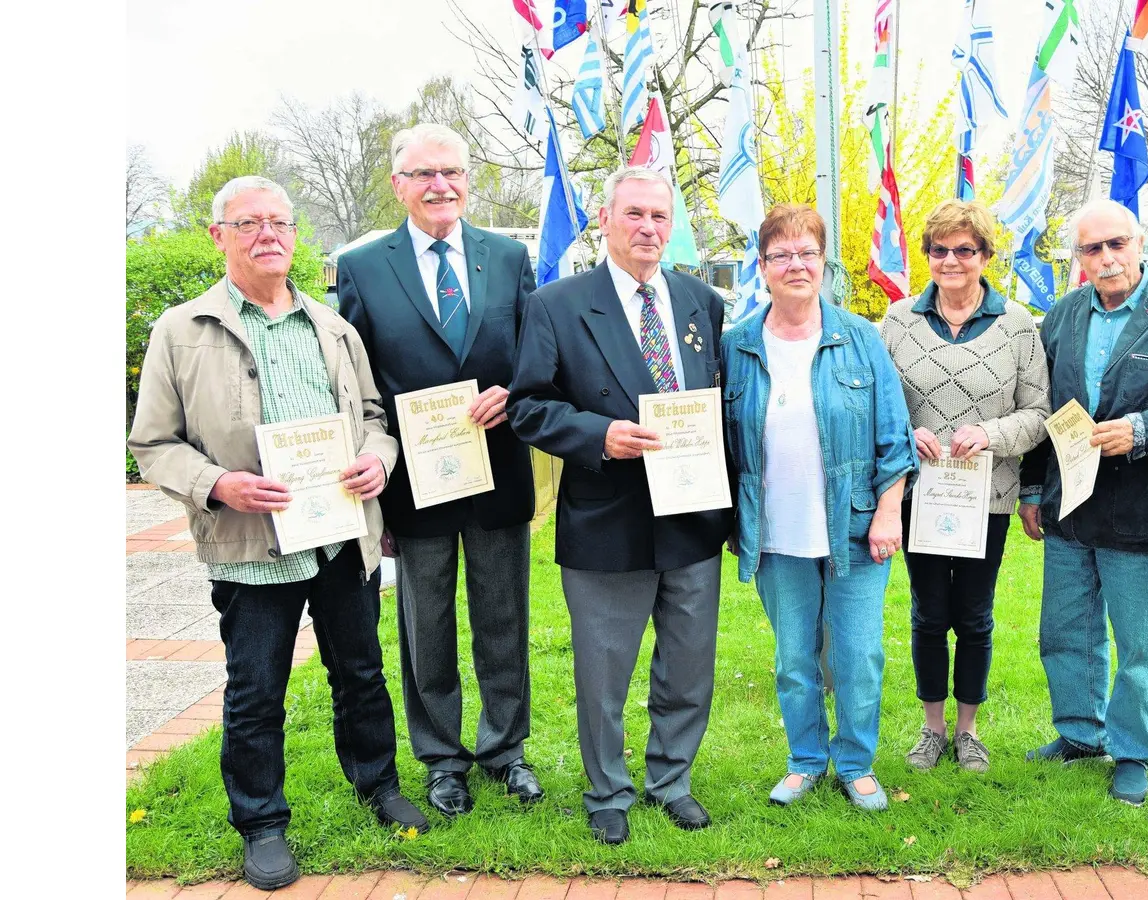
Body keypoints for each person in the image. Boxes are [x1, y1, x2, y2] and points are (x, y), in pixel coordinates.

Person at [127, 177, 428, 891]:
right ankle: (262, 823)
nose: (267, 235)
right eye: (248, 223)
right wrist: (218, 486)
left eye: (279, 223)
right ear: (218, 235)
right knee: (255, 690)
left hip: (338, 538)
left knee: (360, 673)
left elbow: (377, 422)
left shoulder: (332, 328)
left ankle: (378, 785)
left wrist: (376, 464)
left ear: (296, 235)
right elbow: (152, 443)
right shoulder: (181, 330)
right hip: (250, 548)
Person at [507, 166, 730, 844]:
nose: (648, 228)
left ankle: (672, 779)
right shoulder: (558, 304)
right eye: (634, 214)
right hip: (608, 518)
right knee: (604, 670)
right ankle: (607, 788)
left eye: (660, 216)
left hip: (691, 516)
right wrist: (597, 435)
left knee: (688, 662)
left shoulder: (701, 301)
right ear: (605, 219)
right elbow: (527, 406)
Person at [335, 123, 542, 819]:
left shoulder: (510, 258)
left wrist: (516, 393)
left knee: (503, 617)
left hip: (498, 467)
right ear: (398, 185)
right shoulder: (364, 267)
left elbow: (537, 356)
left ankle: (505, 749)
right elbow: (356, 378)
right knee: (426, 625)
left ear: (467, 179)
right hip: (416, 481)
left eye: (450, 171)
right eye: (422, 174)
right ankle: (442, 758)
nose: (439, 185)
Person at [1016, 198, 1148, 806]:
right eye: (1092, 249)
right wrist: (1031, 487)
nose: (1106, 259)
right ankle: (1079, 733)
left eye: (1116, 245)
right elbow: (1041, 404)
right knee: (1065, 630)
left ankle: (1133, 753)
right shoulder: (1064, 315)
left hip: (1140, 508)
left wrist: (1143, 430)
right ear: (1078, 258)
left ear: (1139, 243)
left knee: (1137, 644)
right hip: (1068, 505)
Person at [721, 203, 918, 811]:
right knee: (793, 658)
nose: (795, 265)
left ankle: (856, 762)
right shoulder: (737, 345)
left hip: (857, 529)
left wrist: (889, 512)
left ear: (823, 262)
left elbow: (895, 437)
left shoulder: (861, 337)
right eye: (780, 254)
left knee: (858, 654)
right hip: (776, 531)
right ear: (763, 266)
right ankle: (805, 759)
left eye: (806, 252)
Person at [879, 200, 1049, 774]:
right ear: (926, 256)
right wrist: (910, 432)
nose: (951, 260)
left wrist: (991, 433)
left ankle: (968, 730)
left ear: (985, 256)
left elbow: (1039, 413)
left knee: (974, 615)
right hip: (919, 496)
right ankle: (931, 728)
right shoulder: (898, 322)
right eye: (940, 250)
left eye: (965, 250)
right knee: (928, 613)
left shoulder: (1018, 325)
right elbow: (877, 407)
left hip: (988, 498)